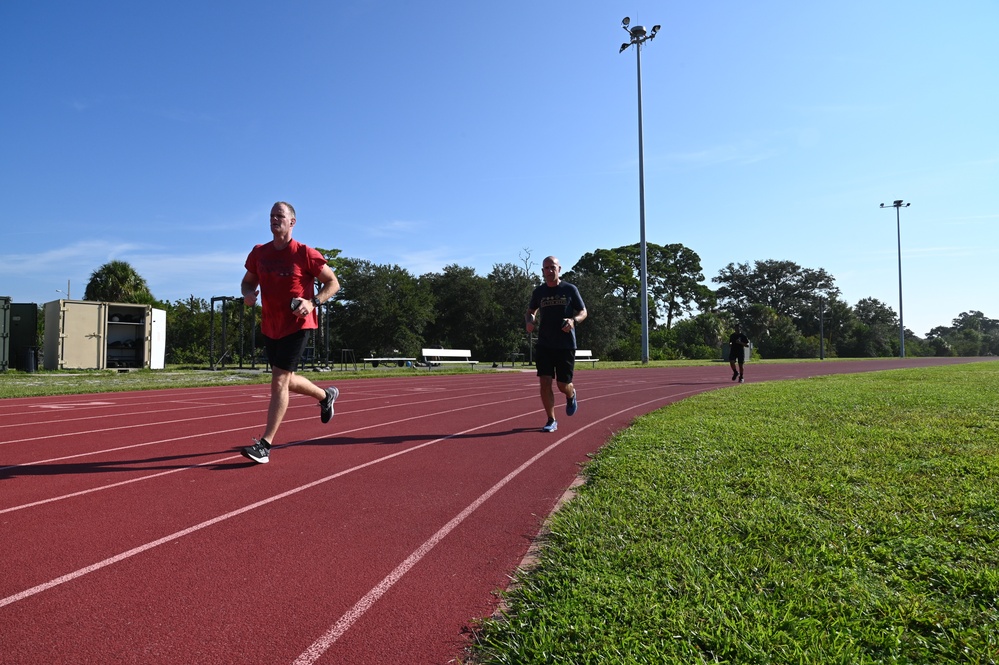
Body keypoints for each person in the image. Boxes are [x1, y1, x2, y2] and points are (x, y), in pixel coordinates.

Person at [239, 201, 341, 464]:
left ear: (292, 222)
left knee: (280, 382)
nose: (274, 219)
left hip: (297, 325)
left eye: (280, 216)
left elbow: (333, 283)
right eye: (271, 216)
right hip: (270, 325)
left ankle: (265, 445)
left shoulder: (305, 253)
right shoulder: (259, 253)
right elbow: (247, 282)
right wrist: (248, 294)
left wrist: (313, 302)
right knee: (287, 379)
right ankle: (325, 395)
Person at [526, 256, 587, 432]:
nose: (549, 271)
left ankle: (571, 393)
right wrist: (530, 321)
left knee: (562, 385)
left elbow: (583, 311)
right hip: (545, 343)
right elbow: (531, 311)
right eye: (546, 268)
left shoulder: (569, 289)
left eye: (553, 267)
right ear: (542, 271)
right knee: (544, 382)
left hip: (565, 345)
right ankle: (551, 419)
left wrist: (574, 320)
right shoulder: (539, 292)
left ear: (559, 269)